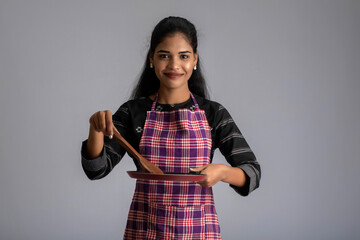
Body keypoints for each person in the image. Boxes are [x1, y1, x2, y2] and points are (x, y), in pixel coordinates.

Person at [81, 16, 261, 240]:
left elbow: (252, 173)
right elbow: (96, 169)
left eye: (183, 56)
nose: (174, 65)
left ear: (194, 59)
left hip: (199, 232)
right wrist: (95, 129)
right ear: (152, 60)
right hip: (145, 230)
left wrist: (223, 172)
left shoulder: (214, 114)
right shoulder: (132, 112)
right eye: (164, 55)